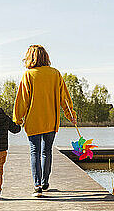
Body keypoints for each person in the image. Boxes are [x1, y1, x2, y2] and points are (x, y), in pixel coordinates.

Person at [13, 45, 76, 197]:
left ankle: (37, 185)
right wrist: (70, 114)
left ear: (30, 57)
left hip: (34, 121)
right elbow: (65, 99)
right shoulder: (55, 74)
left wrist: (17, 119)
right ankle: (45, 182)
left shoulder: (29, 75)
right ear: (45, 57)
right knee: (47, 151)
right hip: (51, 120)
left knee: (35, 151)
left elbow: (22, 100)